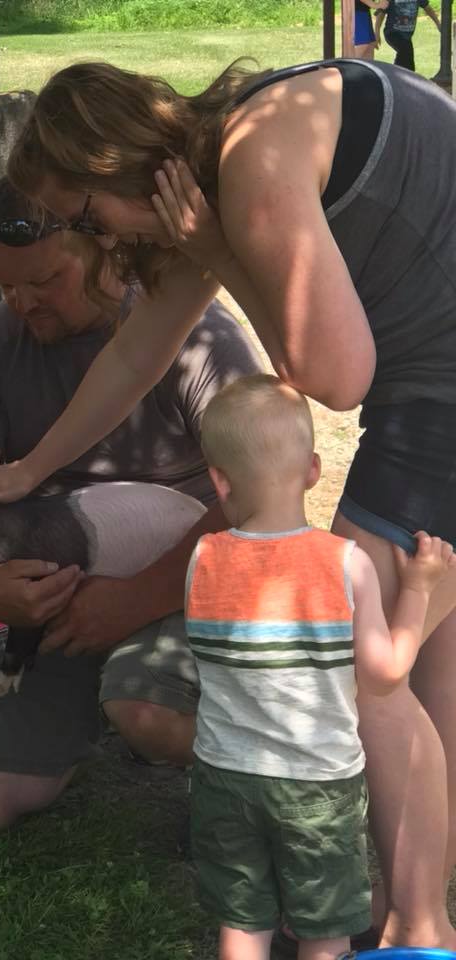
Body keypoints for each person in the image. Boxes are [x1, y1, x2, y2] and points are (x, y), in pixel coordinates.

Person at [0, 59, 456, 949]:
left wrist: (220, 253)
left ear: (112, 166)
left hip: (436, 395)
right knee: (432, 655)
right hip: (429, 384)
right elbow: (135, 354)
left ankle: (412, 924)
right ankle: (419, 909)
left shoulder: (253, 159)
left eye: (84, 215)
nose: (96, 237)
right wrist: (30, 470)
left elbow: (336, 378)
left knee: (356, 667)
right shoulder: (225, 167)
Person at [0, 176, 262, 829]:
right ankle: (80, 705)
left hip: (186, 585)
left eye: (44, 280)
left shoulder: (194, 334)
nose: (22, 302)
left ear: (101, 247)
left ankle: (269, 768)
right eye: (6, 285)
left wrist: (136, 600)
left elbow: (257, 498)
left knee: (148, 713)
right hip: (59, 607)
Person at [186, 374, 454, 960]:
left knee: (244, 925)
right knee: (326, 931)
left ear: (219, 480)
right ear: (313, 470)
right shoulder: (346, 564)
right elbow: (384, 675)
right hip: (316, 785)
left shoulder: (202, 559)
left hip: (224, 775)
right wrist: (418, 590)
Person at [374, 0, 441, 72]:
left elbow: (428, 8)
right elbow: (381, 13)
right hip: (392, 33)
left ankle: (401, 75)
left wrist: (438, 24)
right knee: (405, 51)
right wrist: (377, 33)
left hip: (407, 37)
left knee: (407, 60)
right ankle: (397, 74)